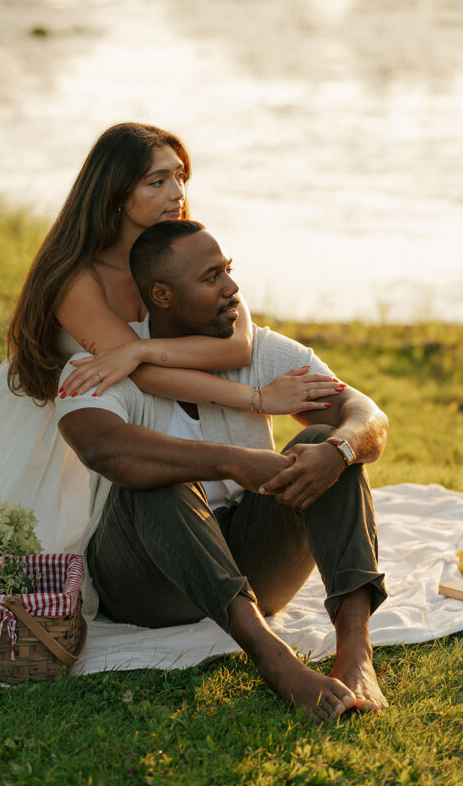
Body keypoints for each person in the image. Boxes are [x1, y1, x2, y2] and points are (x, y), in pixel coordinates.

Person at [0, 123, 332, 553]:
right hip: (70, 426)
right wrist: (259, 399)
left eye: (181, 177)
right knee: (29, 555)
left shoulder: (184, 251)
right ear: (116, 194)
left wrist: (136, 348)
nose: (177, 193)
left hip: (145, 415)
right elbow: (144, 376)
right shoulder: (75, 279)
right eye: (158, 181)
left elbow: (237, 344)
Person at [57, 220, 389, 721]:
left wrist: (341, 449)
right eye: (212, 277)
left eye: (228, 270)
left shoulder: (258, 350)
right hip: (145, 584)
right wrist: (233, 460)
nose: (232, 288)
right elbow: (102, 447)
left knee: (325, 446)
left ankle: (355, 652)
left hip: (252, 564)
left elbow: (368, 417)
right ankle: (274, 658)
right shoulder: (105, 364)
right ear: (162, 295)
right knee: (153, 476)